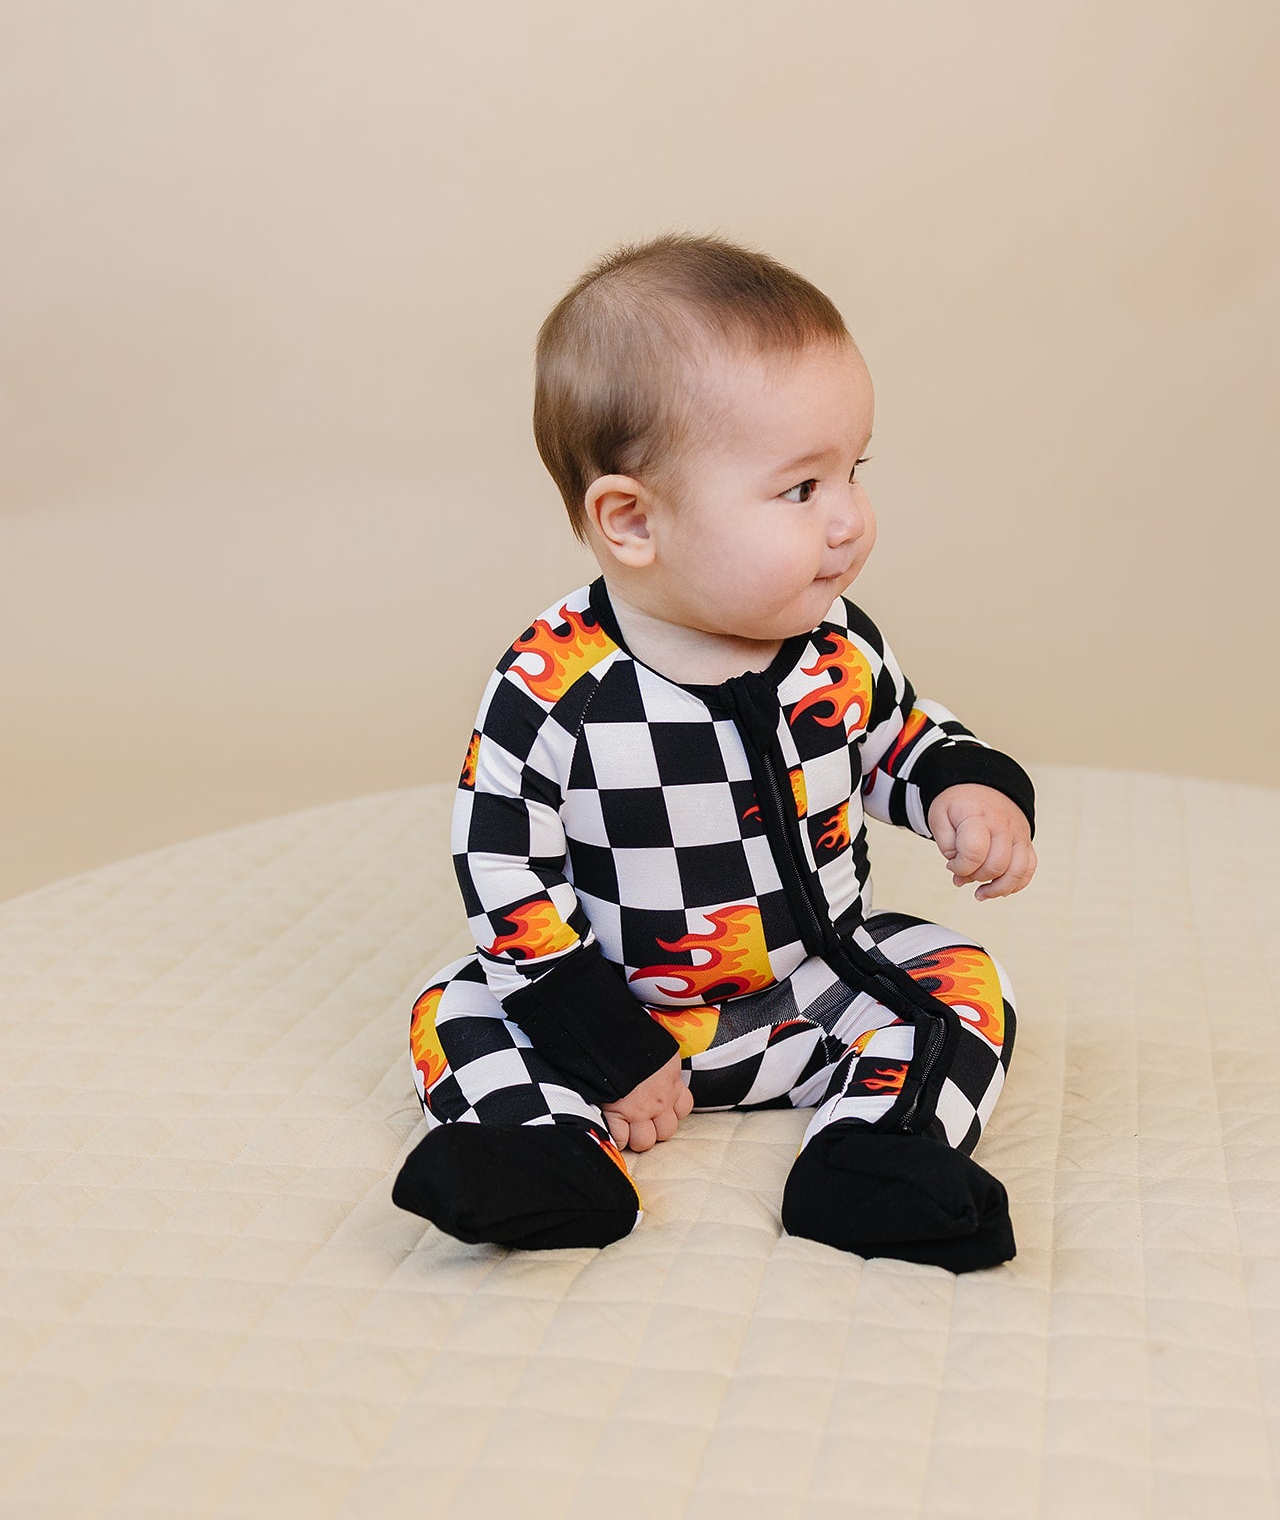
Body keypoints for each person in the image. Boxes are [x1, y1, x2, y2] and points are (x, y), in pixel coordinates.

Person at [392, 232, 1037, 1273]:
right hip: (611, 1007)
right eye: (801, 490)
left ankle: (872, 1155)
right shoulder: (555, 684)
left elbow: (895, 734)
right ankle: (553, 1155)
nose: (849, 520)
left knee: (961, 983)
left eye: (853, 471)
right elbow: (503, 874)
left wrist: (963, 787)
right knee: (456, 1007)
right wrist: (607, 1045)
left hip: (810, 988)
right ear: (631, 521)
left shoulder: (834, 644)